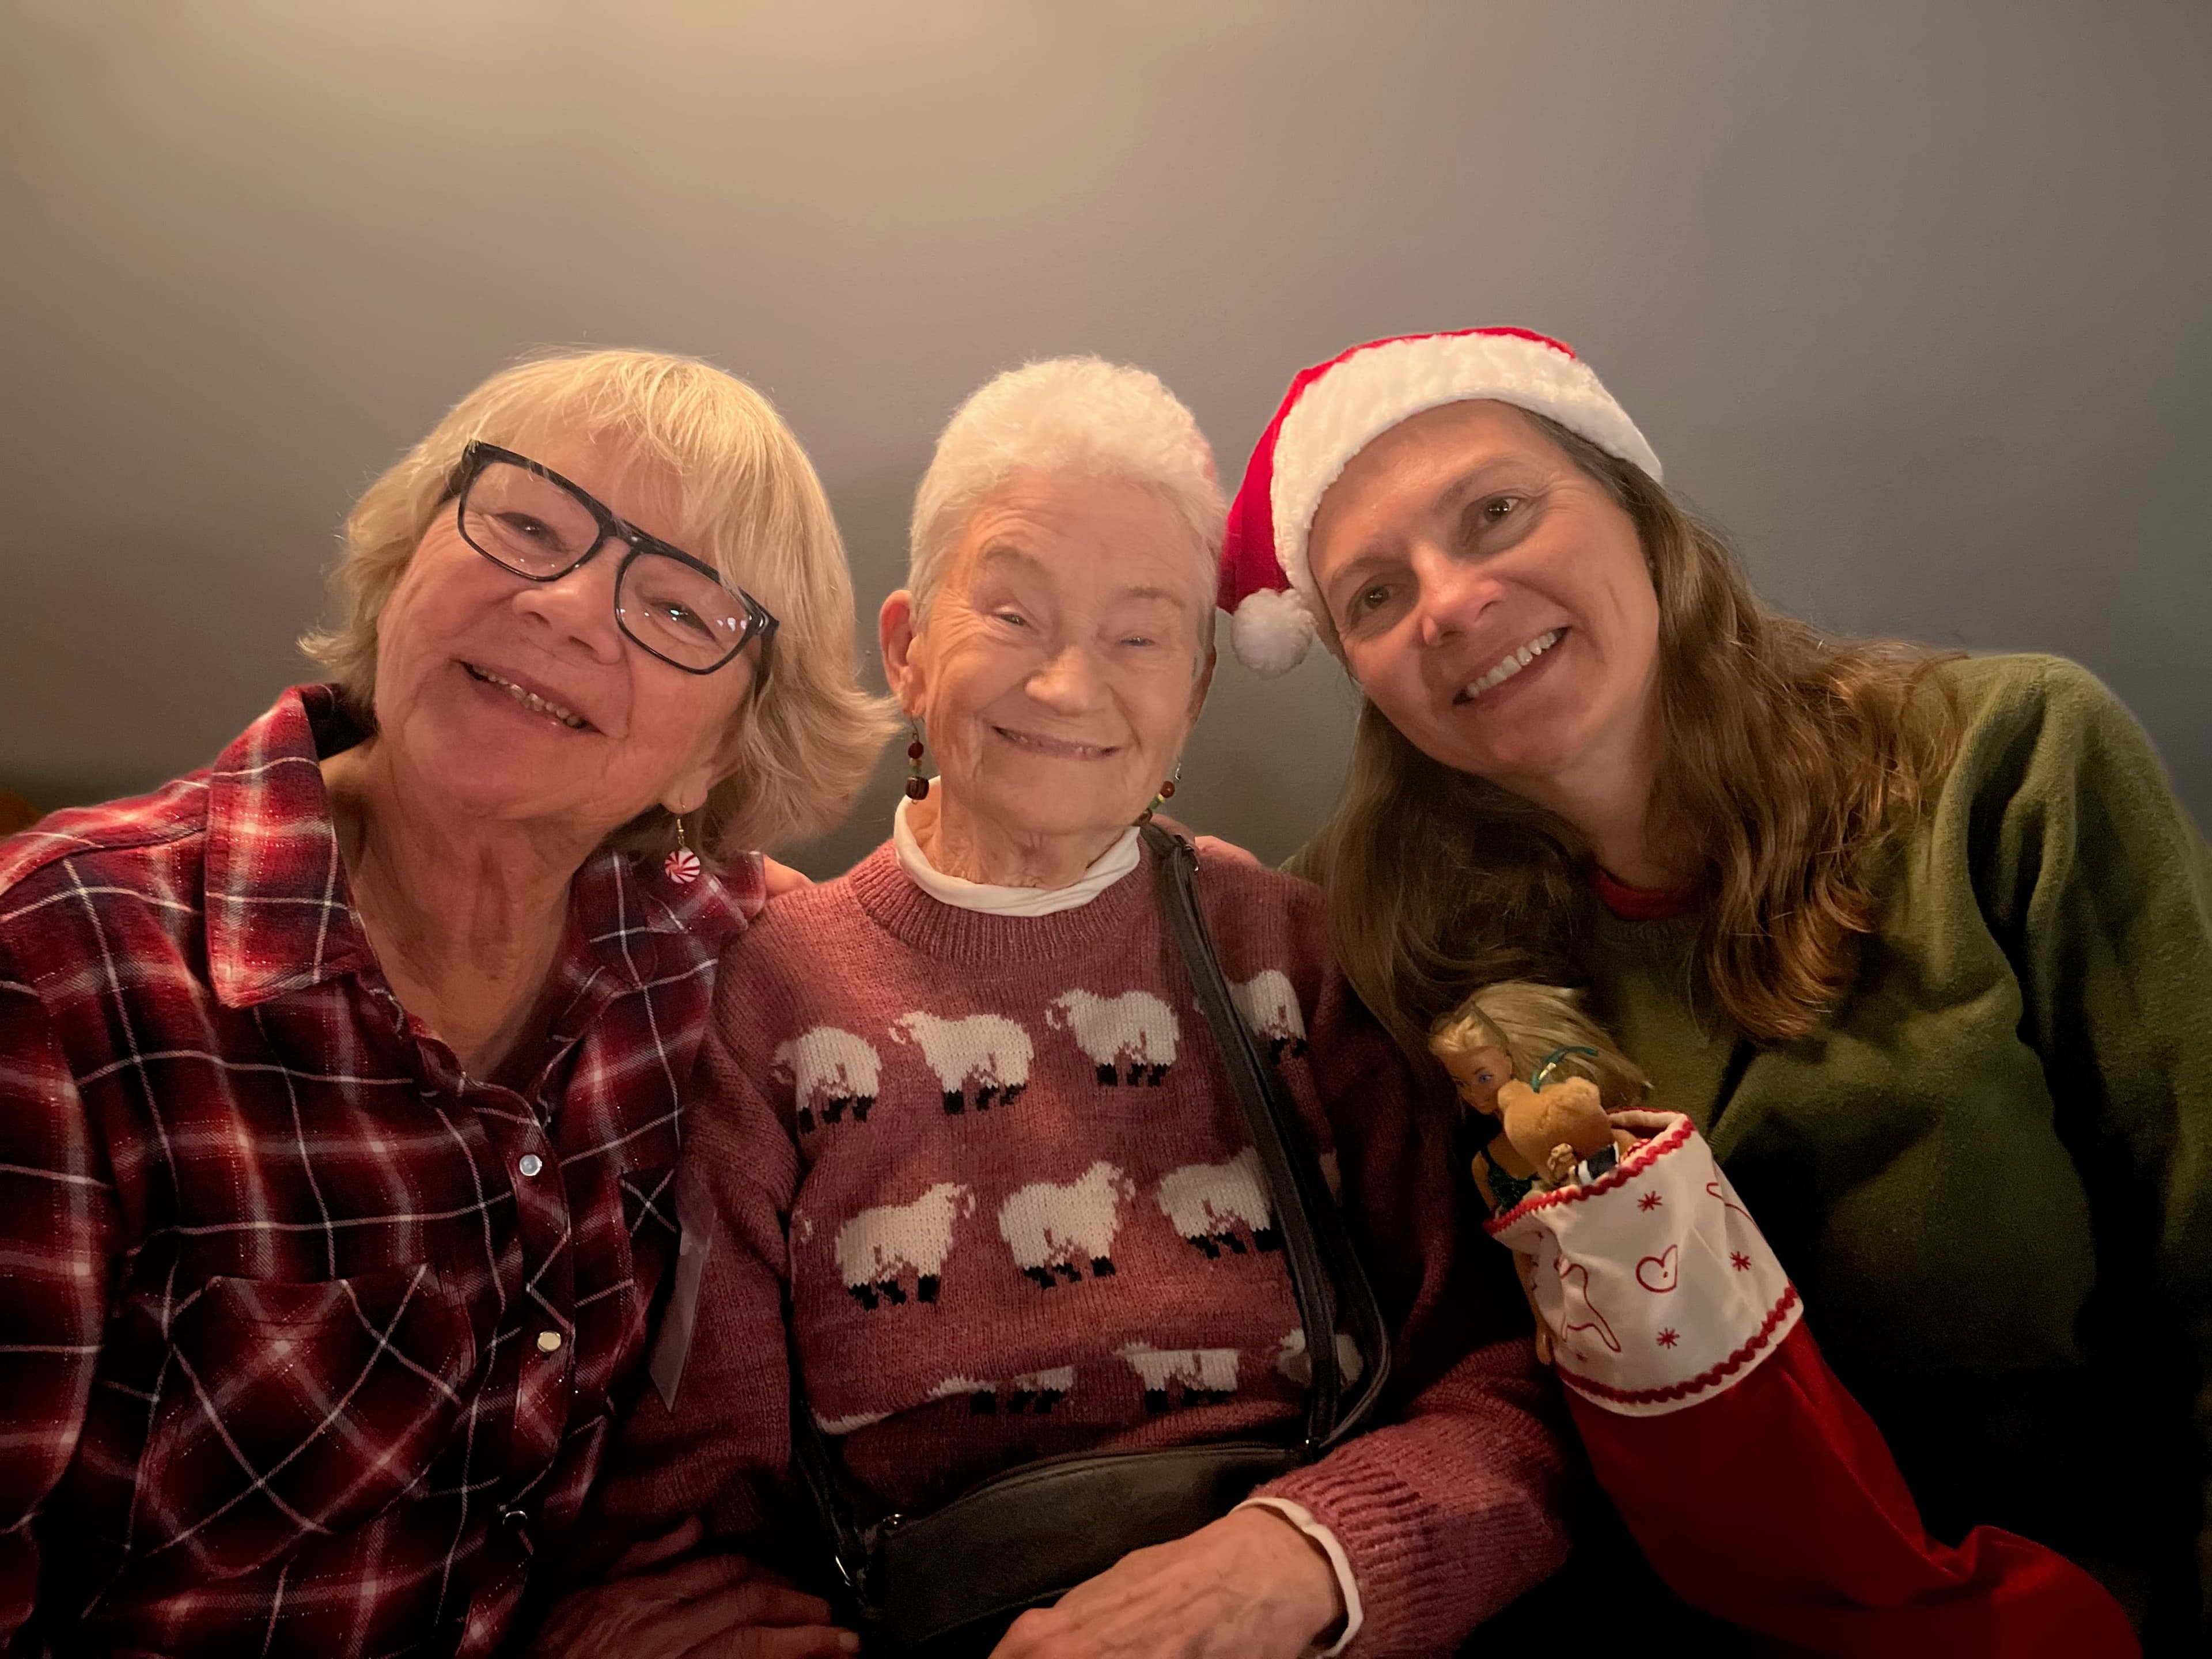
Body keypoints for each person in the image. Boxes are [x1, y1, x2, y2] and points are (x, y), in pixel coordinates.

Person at [1211, 325, 2211, 1650]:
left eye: (1496, 512)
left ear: (1634, 508)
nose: (1450, 603)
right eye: (1376, 598)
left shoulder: (2011, 762)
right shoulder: (1368, 929)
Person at [555, 358, 1571, 1659]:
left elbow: (1515, 1400)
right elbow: (693, 1513)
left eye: (1140, 634)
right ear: (910, 650)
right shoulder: (772, 996)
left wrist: (1306, 1561)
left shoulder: (1295, 954)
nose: (1067, 685)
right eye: (1016, 617)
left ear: (1194, 692)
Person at [0, 348, 892, 1657]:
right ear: (405, 562)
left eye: (682, 607)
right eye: (529, 524)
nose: (571, 607)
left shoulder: (725, 956)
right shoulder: (63, 961)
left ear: (718, 750)